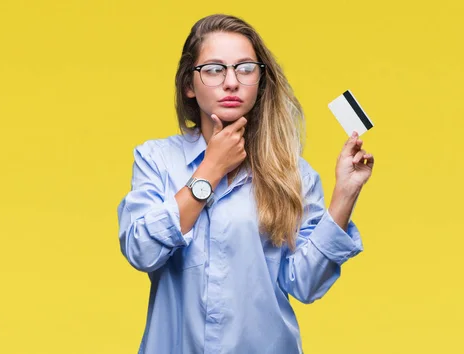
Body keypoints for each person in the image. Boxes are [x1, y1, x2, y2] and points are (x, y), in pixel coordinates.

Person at [117, 13, 374, 354]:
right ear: (188, 86)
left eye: (245, 68)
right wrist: (209, 170)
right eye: (213, 69)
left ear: (260, 81)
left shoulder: (293, 174)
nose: (231, 82)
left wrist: (345, 193)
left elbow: (307, 284)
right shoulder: (157, 159)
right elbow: (142, 251)